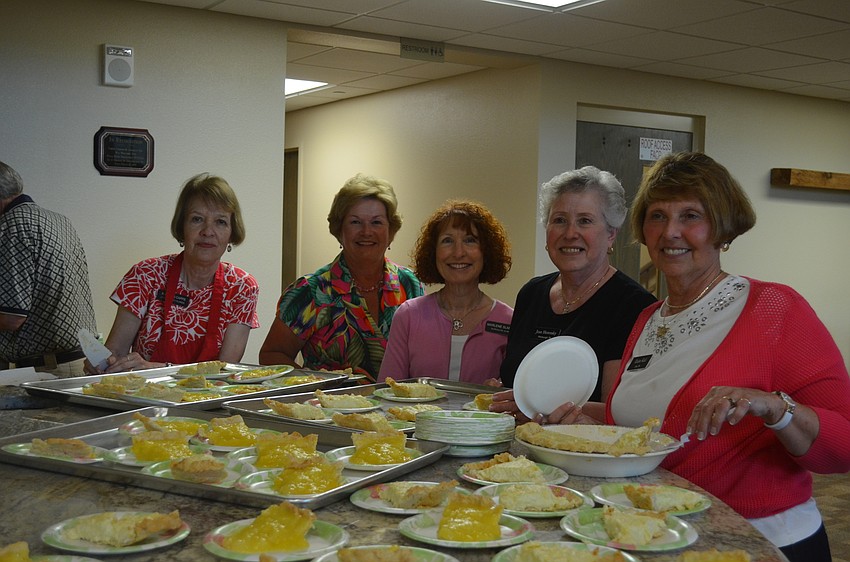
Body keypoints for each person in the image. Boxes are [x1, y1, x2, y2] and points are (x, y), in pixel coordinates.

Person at [554, 152, 850, 561]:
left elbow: (844, 446)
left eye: (690, 216)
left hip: (759, 541)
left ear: (723, 228)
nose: (670, 232)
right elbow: (649, 425)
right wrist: (571, 415)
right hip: (665, 535)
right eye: (657, 216)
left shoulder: (775, 309)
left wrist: (776, 408)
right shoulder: (647, 319)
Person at [494, 166, 656, 419]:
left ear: (611, 233)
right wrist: (501, 395)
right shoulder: (531, 294)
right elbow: (515, 381)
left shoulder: (633, 305)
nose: (570, 233)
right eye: (559, 220)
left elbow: (619, 413)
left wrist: (535, 407)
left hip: (585, 453)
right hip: (519, 451)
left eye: (585, 221)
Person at [259, 173, 424, 382]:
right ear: (339, 230)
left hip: (401, 410)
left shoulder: (409, 284)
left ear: (391, 231)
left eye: (376, 222)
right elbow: (271, 355)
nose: (366, 231)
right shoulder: (311, 290)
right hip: (330, 409)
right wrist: (320, 383)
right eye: (355, 222)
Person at [93, 173, 259, 373]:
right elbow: (116, 352)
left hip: (208, 399)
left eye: (220, 222)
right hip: (145, 395)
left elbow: (225, 370)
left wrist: (157, 368)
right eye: (197, 219)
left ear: (232, 232)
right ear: (182, 227)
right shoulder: (145, 275)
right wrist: (104, 363)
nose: (208, 231)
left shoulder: (242, 287)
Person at [378, 200, 513, 384]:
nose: (458, 253)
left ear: (486, 251)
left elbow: (517, 396)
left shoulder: (507, 321)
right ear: (433, 253)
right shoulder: (408, 316)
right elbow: (386, 391)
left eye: (470, 240)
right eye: (447, 241)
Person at [0, 161, 97, 377]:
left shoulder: (12, 227)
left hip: (46, 369)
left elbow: (12, 317)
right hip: (82, 357)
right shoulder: (59, 220)